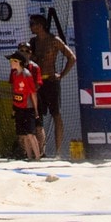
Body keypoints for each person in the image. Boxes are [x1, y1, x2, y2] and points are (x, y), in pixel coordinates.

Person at [26, 14, 76, 159]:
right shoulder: (32, 42)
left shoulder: (54, 40)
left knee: (56, 115)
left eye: (33, 24)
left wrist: (61, 74)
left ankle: (58, 152)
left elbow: (72, 57)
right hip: (37, 84)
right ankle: (41, 151)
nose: (31, 27)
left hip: (51, 82)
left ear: (40, 25)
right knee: (38, 116)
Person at [7, 53, 42, 160]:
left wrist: (36, 110)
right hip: (19, 108)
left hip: (28, 108)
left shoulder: (26, 75)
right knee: (24, 135)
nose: (10, 63)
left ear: (18, 62)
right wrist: (14, 108)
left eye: (12, 61)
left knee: (31, 134)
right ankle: (29, 157)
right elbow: (15, 93)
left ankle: (37, 157)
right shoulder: (14, 74)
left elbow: (33, 93)